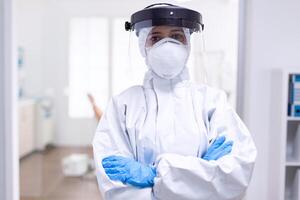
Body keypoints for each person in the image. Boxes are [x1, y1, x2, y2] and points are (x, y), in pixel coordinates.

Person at [93, 3, 257, 200]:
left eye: (177, 36)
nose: (167, 45)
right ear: (143, 44)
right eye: (156, 38)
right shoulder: (122, 106)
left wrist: (155, 175)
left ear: (187, 43)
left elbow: (235, 173)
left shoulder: (212, 102)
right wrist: (200, 174)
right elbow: (115, 185)